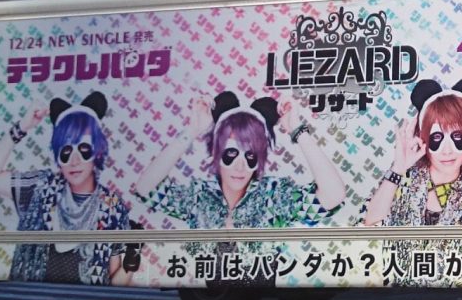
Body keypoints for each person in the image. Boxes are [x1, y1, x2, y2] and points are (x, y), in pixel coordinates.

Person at [0, 92, 134, 285]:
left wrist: (134, 256)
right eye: (66, 151)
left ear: (98, 151)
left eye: (84, 149)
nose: (74, 160)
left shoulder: (112, 206)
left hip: (88, 299)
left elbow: (114, 280)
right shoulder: (39, 187)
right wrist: (22, 127)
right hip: (34, 298)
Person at [132, 92, 348, 233]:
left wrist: (297, 130)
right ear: (216, 152)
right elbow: (145, 188)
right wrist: (192, 130)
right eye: (231, 153)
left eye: (250, 155)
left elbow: (333, 195)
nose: (240, 165)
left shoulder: (274, 197)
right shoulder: (199, 197)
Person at [363, 78, 462, 227]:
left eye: (457, 136)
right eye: (437, 137)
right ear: (424, 138)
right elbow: (370, 227)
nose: (447, 151)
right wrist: (397, 169)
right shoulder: (403, 178)